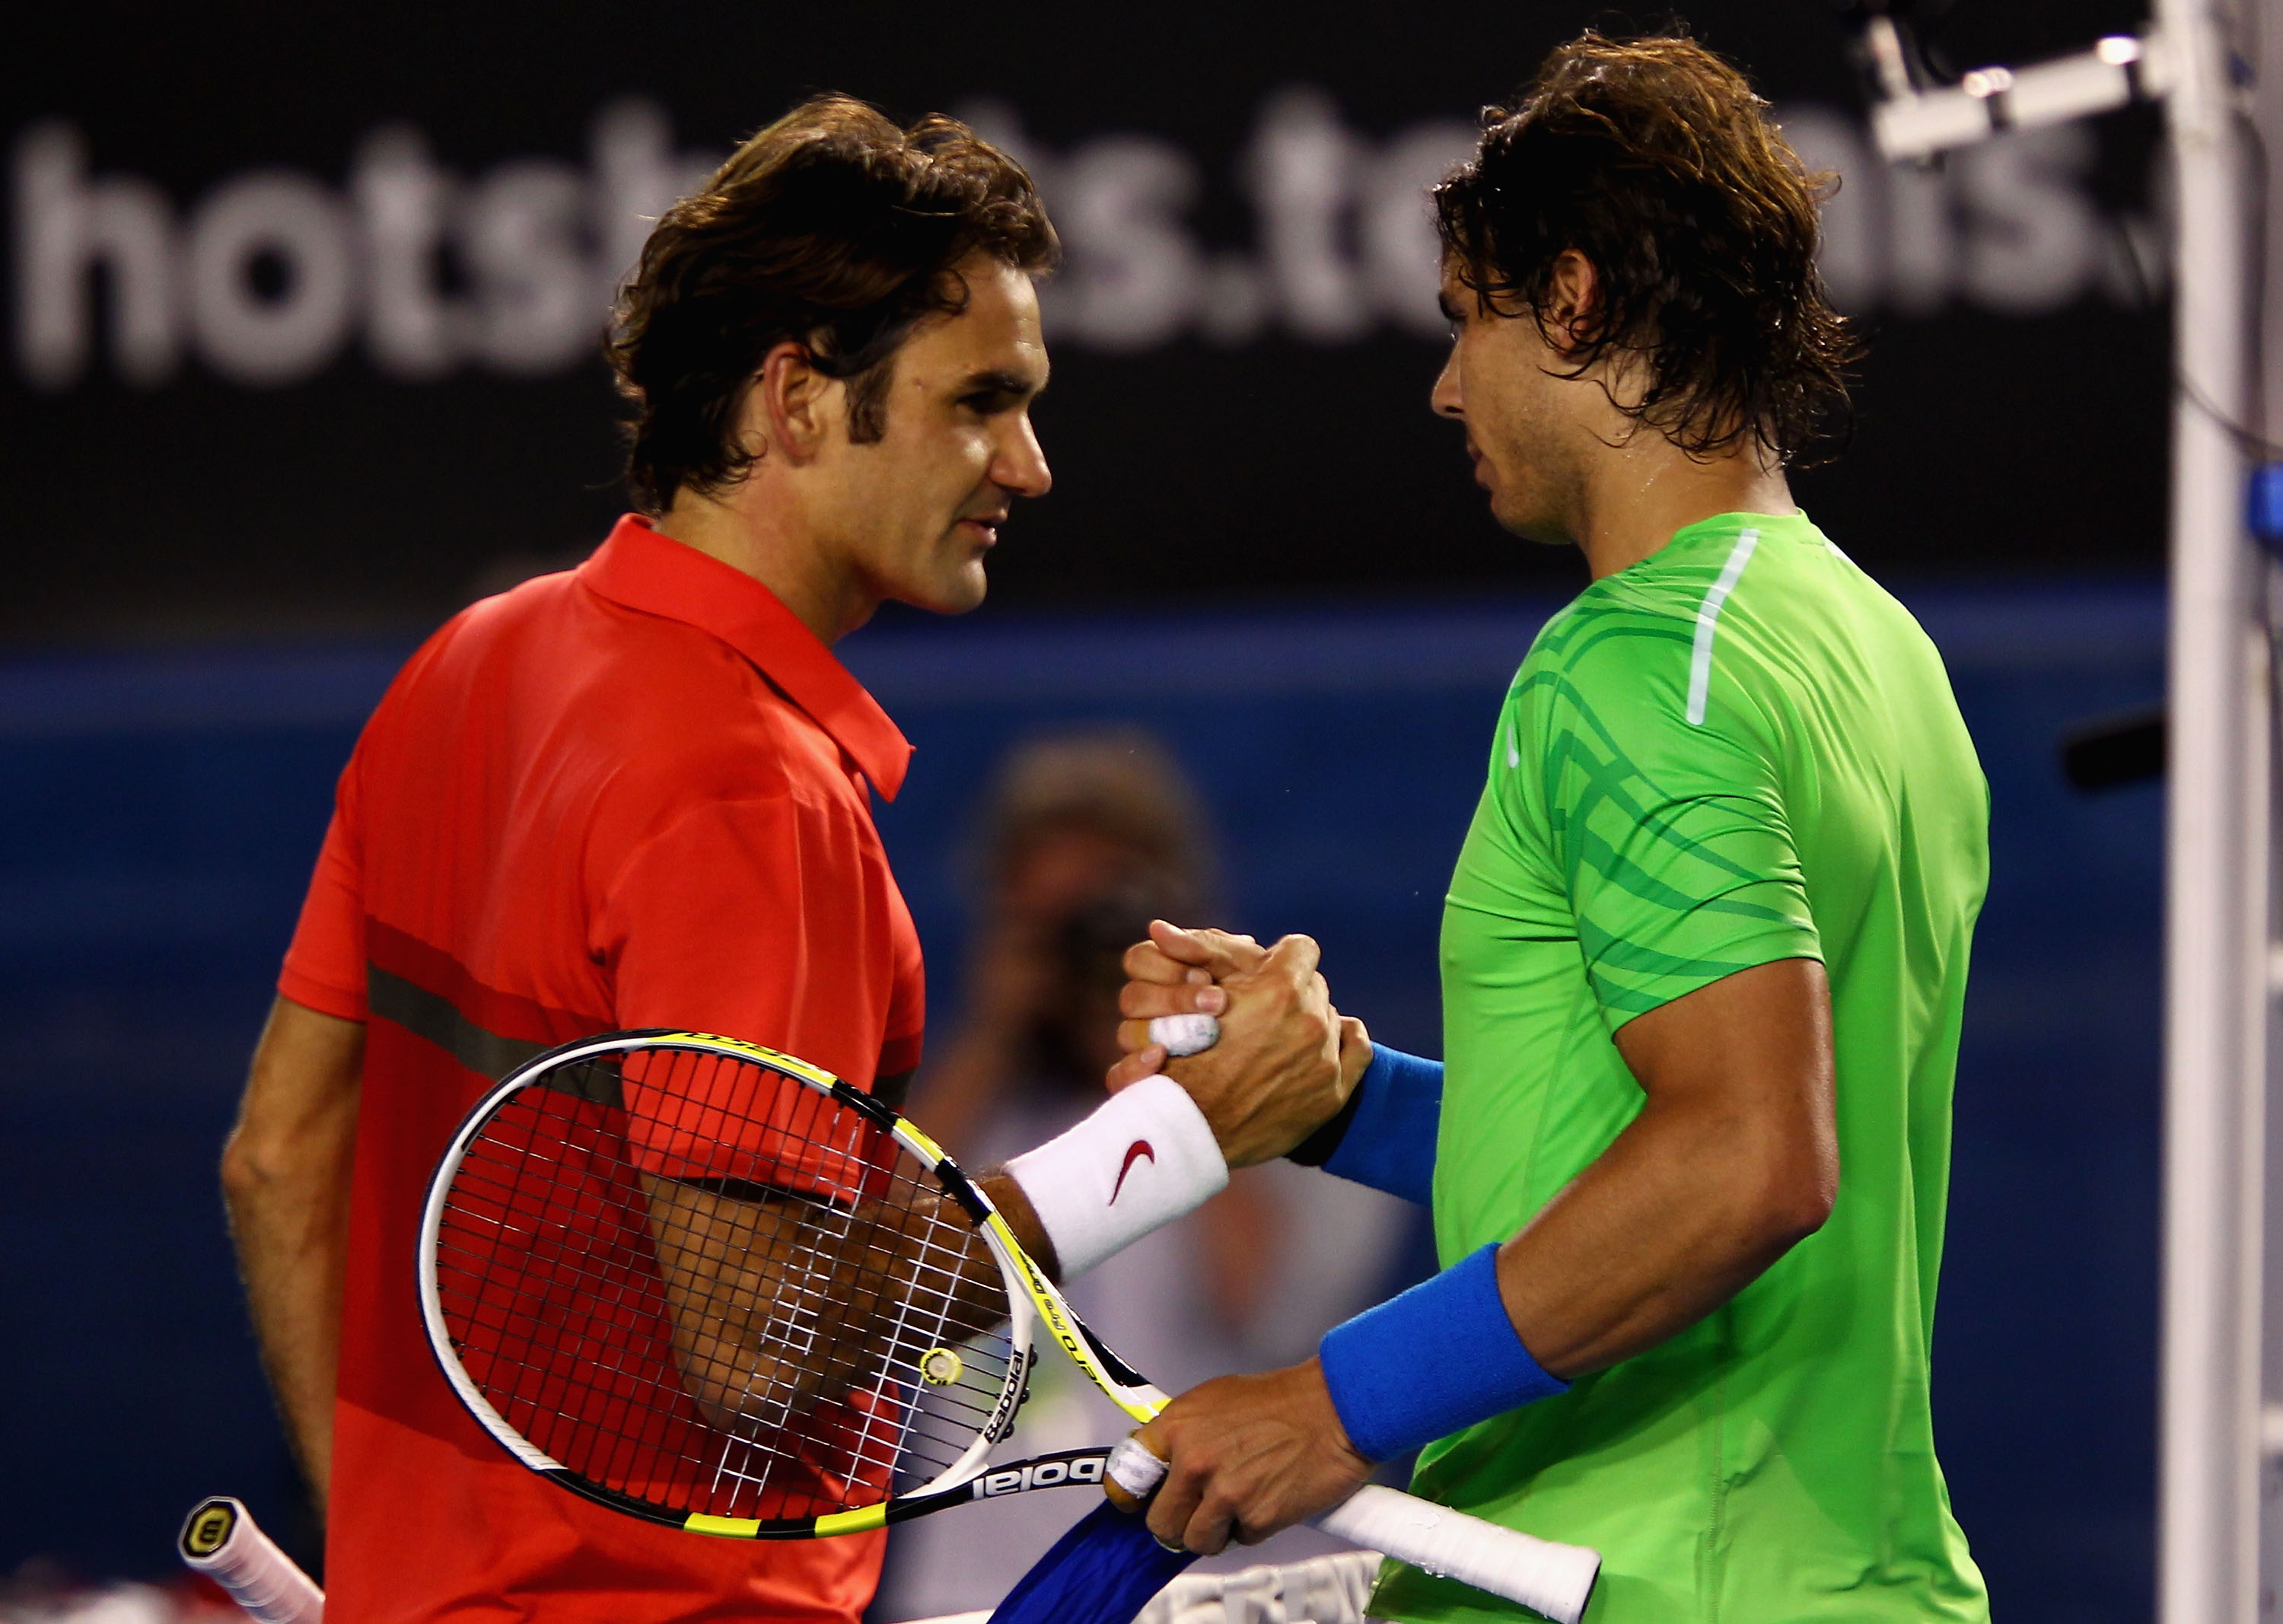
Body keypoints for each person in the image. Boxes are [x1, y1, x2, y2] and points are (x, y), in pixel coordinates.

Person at [1111, 33, 1992, 1622]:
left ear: (1573, 301)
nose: (1448, 383)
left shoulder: (1634, 662)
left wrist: (1333, 1398)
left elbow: (1745, 1159)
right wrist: (1340, 1102)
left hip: (1652, 1582)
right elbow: (1653, 1139)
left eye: (1468, 319)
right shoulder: (1873, 646)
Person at [219, 96, 1071, 1623]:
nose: (1030, 463)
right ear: (794, 401)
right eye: (981, 401)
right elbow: (756, 1342)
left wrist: (399, 1568)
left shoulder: (468, 664)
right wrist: (1162, 1149)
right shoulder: (752, 790)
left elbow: (278, 1159)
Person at [877, 731, 1413, 1619]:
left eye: (1108, 920)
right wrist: (996, 1027)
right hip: (983, 1595)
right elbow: (860, 1286)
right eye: (1054, 928)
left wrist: (1164, 1053)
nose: (1083, 953)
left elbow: (1265, 1299)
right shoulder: (970, 1127)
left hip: (1238, 1588)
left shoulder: (1301, 1113)